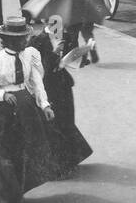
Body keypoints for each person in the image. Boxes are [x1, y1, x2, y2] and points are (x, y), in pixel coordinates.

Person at [0, 16, 58, 203]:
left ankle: (16, 196)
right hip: (3, 110)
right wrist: (1, 94)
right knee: (2, 155)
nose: (24, 41)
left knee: (22, 152)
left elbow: (36, 82)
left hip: (25, 108)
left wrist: (44, 104)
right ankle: (7, 199)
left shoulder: (30, 55)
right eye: (18, 39)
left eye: (24, 37)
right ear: (6, 40)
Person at [28, 21, 93, 177]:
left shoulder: (66, 37)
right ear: (46, 22)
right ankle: (58, 166)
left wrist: (81, 56)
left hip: (63, 86)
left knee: (67, 120)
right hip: (48, 87)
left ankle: (70, 160)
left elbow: (74, 60)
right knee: (54, 125)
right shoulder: (37, 41)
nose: (59, 27)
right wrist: (55, 56)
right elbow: (37, 67)